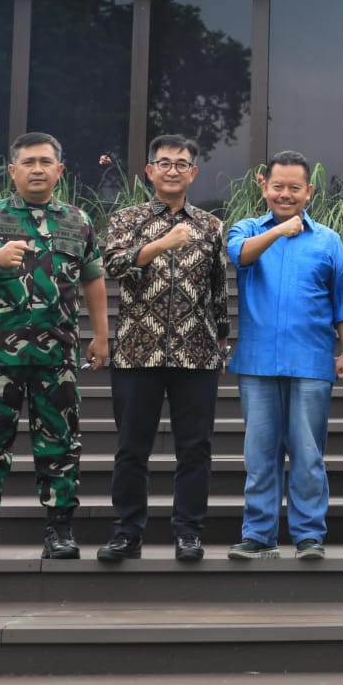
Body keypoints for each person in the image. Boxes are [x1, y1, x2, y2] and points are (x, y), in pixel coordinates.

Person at [0, 132, 108, 562]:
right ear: (12, 170)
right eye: (28, 162)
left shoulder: (78, 220)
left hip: (57, 353)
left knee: (60, 442)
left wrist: (101, 335)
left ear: (60, 170)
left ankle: (60, 530)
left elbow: (93, 278)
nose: (37, 169)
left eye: (45, 162)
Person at [96, 134, 229, 563]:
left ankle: (189, 532)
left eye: (181, 164)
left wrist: (221, 341)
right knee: (132, 448)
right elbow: (113, 265)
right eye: (165, 163)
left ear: (194, 173)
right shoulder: (126, 219)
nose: (173, 170)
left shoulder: (211, 226)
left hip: (197, 353)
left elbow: (218, 291)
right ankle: (127, 532)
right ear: (149, 171)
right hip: (138, 351)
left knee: (195, 449)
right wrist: (160, 244)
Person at [225, 150, 343, 561]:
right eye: (278, 186)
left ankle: (308, 535)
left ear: (308, 191)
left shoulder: (327, 239)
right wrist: (280, 231)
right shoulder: (247, 229)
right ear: (263, 186)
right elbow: (240, 255)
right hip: (257, 362)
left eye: (294, 188)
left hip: (311, 360)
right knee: (259, 454)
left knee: (308, 454)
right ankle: (258, 534)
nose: (285, 194)